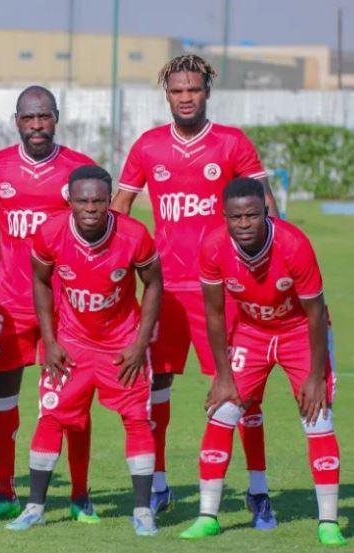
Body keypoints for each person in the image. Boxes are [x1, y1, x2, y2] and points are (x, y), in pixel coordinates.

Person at [112, 54, 279, 522]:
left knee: (241, 388)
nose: (186, 98)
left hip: (222, 289)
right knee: (155, 384)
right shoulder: (148, 146)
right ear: (166, 94)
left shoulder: (232, 142)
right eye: (177, 91)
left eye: (193, 89)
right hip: (164, 291)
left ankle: (258, 489)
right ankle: (159, 484)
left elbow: (266, 209)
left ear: (208, 91)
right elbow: (120, 210)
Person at [180, 178, 344, 545]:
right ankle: (207, 516)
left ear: (266, 212)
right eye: (236, 217)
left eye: (252, 215)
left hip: (300, 332)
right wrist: (223, 376)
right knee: (222, 411)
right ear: (224, 216)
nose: (244, 224)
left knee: (317, 417)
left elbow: (316, 314)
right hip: (251, 333)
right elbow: (214, 313)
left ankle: (328, 522)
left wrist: (315, 376)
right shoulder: (213, 246)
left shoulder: (293, 244)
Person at [4, 165, 162, 536]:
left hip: (121, 346)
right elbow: (41, 282)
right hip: (71, 343)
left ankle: (143, 512)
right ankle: (34, 508)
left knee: (137, 419)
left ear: (110, 200)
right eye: (82, 201)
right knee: (51, 416)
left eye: (98, 201)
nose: (90, 208)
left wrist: (140, 342)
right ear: (70, 201)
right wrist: (50, 340)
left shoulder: (134, 235)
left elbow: (154, 284)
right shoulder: (50, 232)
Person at [0, 85, 98, 521]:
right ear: (17, 121)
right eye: (29, 118)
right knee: (3, 396)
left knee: (69, 402)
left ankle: (79, 495)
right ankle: (5, 490)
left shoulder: (79, 169)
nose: (37, 125)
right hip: (10, 305)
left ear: (56, 117)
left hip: (65, 308)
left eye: (44, 116)